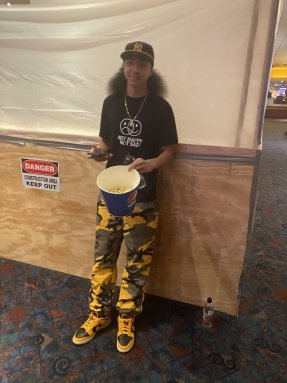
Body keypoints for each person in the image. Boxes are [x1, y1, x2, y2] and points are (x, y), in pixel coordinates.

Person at [72, 41, 178, 353]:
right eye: (129, 63)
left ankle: (127, 315)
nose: (134, 69)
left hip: (143, 200)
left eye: (141, 64)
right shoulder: (111, 103)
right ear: (123, 67)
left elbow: (170, 151)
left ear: (150, 70)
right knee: (103, 255)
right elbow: (107, 143)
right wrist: (98, 152)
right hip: (111, 195)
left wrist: (153, 164)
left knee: (137, 260)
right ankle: (99, 313)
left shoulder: (161, 107)